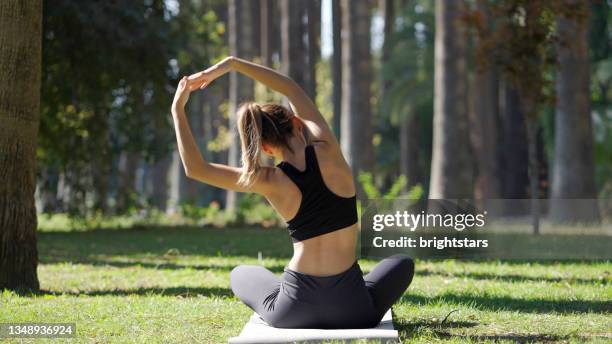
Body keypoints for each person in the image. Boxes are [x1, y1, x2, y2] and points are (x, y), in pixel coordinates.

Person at [171, 56, 415, 329]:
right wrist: (232, 64)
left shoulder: (267, 179)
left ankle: (291, 295)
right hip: (354, 310)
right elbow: (291, 89)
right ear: (298, 123)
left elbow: (196, 168)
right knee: (402, 262)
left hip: (292, 311)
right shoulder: (328, 151)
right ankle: (346, 294)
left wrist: (177, 110)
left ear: (264, 147)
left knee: (241, 273)